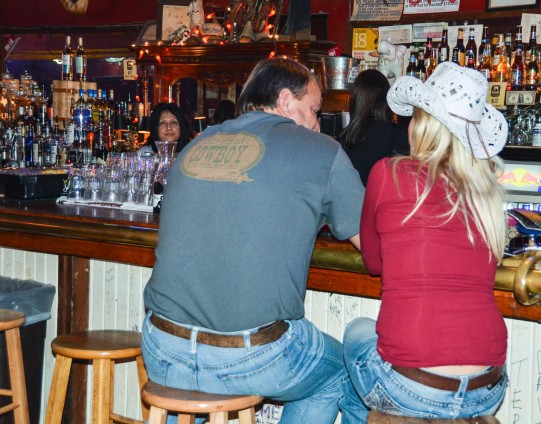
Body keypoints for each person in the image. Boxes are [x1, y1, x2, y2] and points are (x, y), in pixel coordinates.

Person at [142, 57, 364, 424]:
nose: (315, 122)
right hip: (251, 357)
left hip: (162, 347)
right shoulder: (323, 151)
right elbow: (374, 250)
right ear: (285, 101)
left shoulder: (197, 144)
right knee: (344, 372)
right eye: (313, 110)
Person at [339, 62, 510, 422]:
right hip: (488, 386)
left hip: (411, 385)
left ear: (424, 125)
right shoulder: (488, 194)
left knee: (357, 335)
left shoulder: (389, 173)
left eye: (414, 118)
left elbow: (374, 261)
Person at [338, 69, 409, 185]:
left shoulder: (344, 137)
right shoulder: (396, 135)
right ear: (385, 100)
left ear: (356, 99)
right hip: (380, 202)